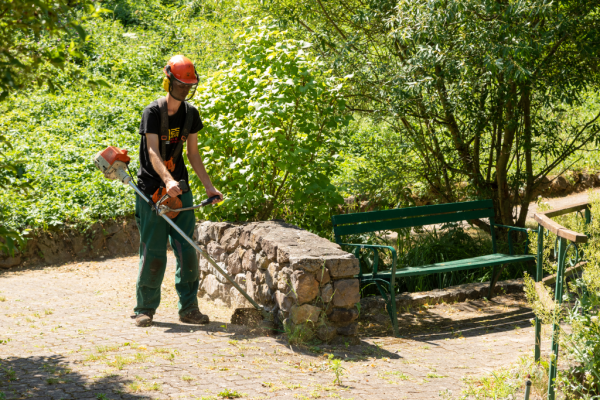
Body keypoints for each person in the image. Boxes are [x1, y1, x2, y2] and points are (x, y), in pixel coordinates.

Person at [133, 55, 222, 327]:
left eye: (189, 86)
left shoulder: (191, 114)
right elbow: (152, 151)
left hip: (180, 191)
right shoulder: (152, 112)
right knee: (154, 252)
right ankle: (145, 309)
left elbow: (193, 154)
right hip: (152, 191)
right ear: (168, 81)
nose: (185, 90)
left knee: (188, 250)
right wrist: (166, 180)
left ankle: (189, 309)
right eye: (181, 85)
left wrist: (209, 186)